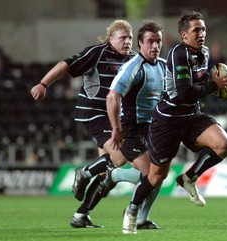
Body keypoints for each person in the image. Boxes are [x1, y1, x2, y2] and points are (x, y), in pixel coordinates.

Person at [121, 10, 227, 234]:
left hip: (191, 116)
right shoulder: (177, 55)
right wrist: (214, 85)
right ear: (184, 35)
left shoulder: (204, 52)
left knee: (225, 145)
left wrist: (211, 81)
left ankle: (188, 178)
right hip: (168, 122)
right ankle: (132, 211)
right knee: (156, 176)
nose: (201, 34)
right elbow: (184, 93)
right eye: (196, 30)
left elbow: (197, 86)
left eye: (203, 29)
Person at [30, 20, 137, 228]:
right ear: (111, 38)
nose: (127, 42)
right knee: (119, 157)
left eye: (130, 38)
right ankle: (84, 172)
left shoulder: (133, 59)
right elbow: (66, 64)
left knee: (107, 175)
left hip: (117, 117)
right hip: (95, 114)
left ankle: (81, 215)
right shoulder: (96, 53)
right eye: (122, 37)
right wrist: (43, 84)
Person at [99, 20, 165, 229]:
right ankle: (114, 176)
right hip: (130, 129)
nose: (155, 46)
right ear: (140, 44)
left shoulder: (163, 66)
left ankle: (143, 218)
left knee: (158, 176)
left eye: (158, 42)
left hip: (151, 129)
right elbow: (112, 98)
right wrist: (116, 128)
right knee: (150, 175)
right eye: (150, 42)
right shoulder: (133, 67)